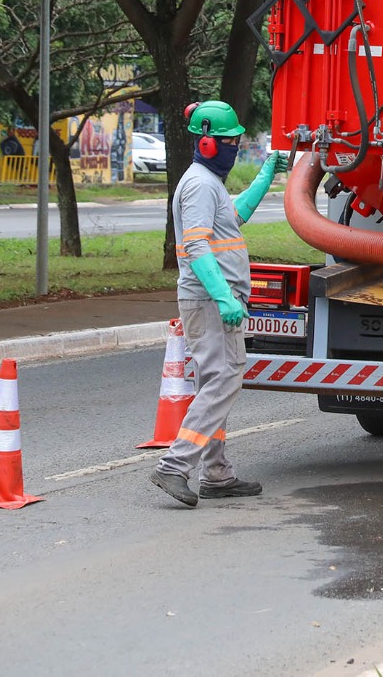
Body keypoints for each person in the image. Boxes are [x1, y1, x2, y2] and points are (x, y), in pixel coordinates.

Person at [150, 100, 288, 508]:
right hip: (211, 301)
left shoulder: (209, 184)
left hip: (211, 300)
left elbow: (234, 216)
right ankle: (175, 466)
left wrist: (265, 176)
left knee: (215, 383)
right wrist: (225, 296)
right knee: (226, 379)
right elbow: (195, 245)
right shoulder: (198, 185)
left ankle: (217, 474)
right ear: (208, 143)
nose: (233, 147)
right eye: (230, 142)